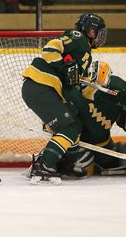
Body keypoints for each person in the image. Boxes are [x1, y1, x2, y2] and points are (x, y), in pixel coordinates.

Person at [21, 13, 108, 185]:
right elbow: (50, 49)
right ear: (89, 30)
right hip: (41, 85)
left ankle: (63, 163)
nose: (99, 36)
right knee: (68, 128)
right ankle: (44, 163)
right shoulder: (78, 38)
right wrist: (64, 66)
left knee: (74, 125)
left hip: (45, 90)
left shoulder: (86, 53)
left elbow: (70, 82)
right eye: (97, 32)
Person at [58, 60, 126, 178]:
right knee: (83, 169)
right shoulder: (76, 91)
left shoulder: (119, 86)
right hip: (80, 144)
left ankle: (105, 156)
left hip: (104, 143)